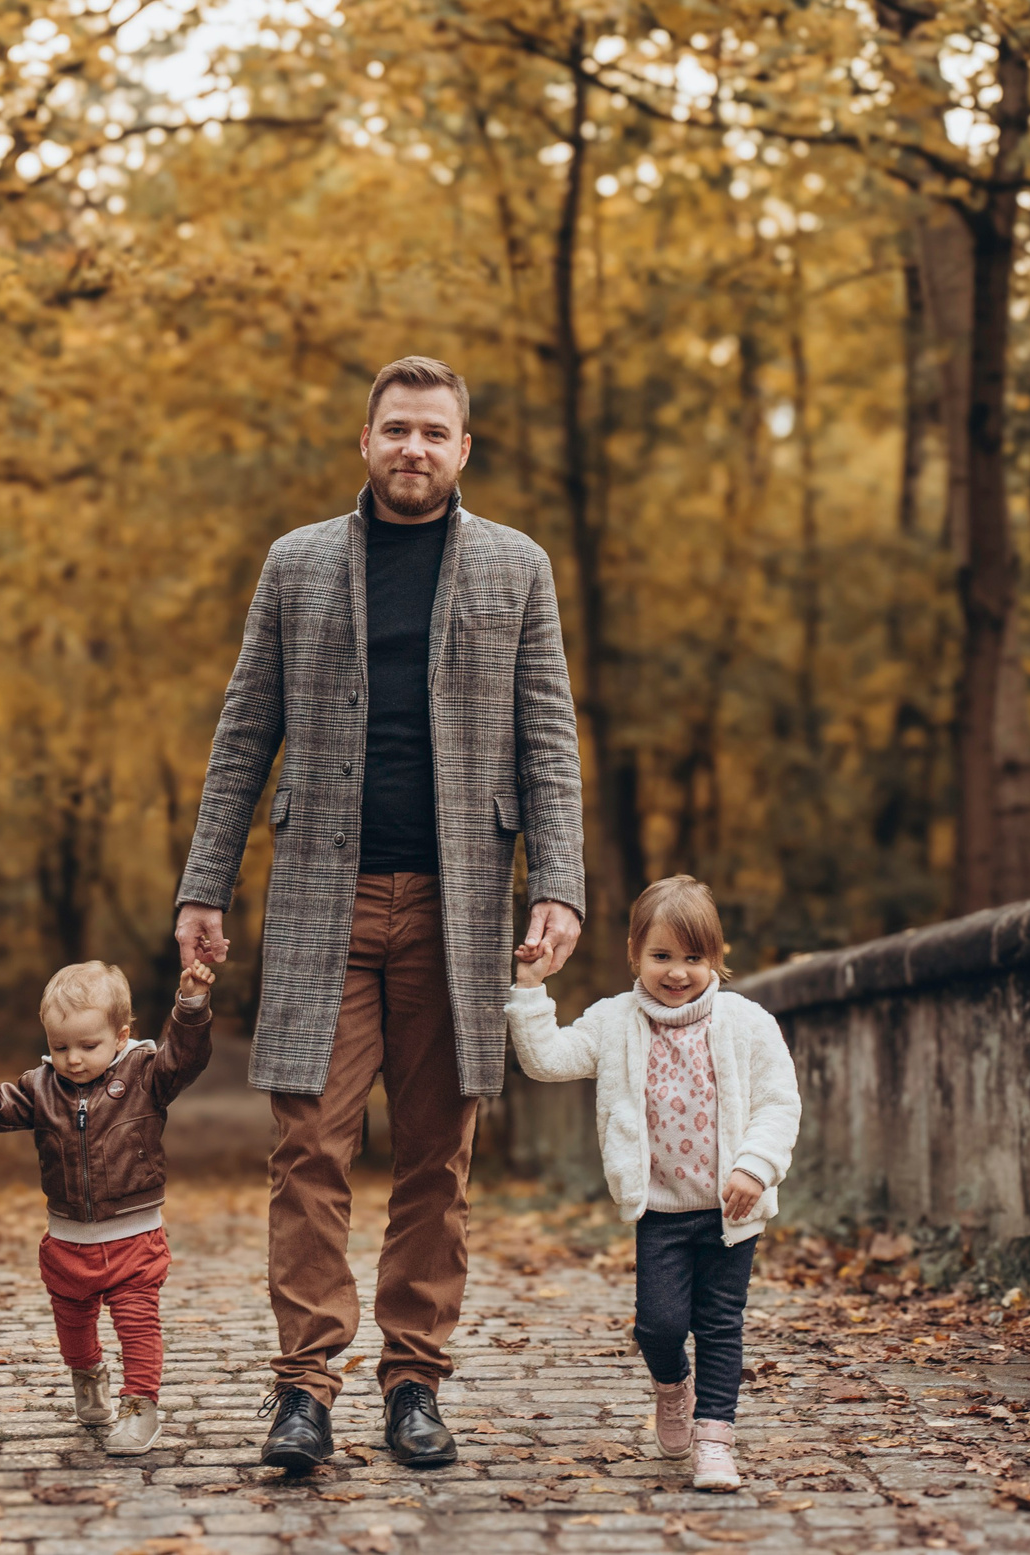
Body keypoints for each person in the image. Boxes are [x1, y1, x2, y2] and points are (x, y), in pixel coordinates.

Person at [172, 354, 588, 1474]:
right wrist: (202, 887)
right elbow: (242, 733)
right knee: (307, 1144)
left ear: (463, 450)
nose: (412, 447)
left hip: (460, 904)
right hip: (323, 900)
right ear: (365, 442)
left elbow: (547, 739)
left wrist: (558, 884)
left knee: (435, 1158)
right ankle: (303, 1390)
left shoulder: (516, 568)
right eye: (393, 428)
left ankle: (413, 1385)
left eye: (432, 432)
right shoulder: (297, 564)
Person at [504, 874, 801, 1491]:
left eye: (693, 958)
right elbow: (548, 1060)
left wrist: (756, 1166)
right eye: (661, 956)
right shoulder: (614, 1022)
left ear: (715, 956)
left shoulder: (746, 1023)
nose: (677, 972)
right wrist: (531, 990)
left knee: (721, 1323)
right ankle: (673, 1386)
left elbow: (779, 1103)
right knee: (658, 1326)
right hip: (660, 1212)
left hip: (730, 1211)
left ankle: (715, 1439)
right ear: (634, 953)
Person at [0, 958, 216, 1456]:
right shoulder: (41, 1088)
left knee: (137, 1324)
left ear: (120, 1035)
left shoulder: (145, 1074)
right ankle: (88, 1381)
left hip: (134, 1236)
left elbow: (186, 1058)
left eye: (88, 1046)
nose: (72, 1059)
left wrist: (191, 1004)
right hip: (67, 1240)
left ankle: (141, 1407)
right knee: (73, 1326)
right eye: (59, 1046)